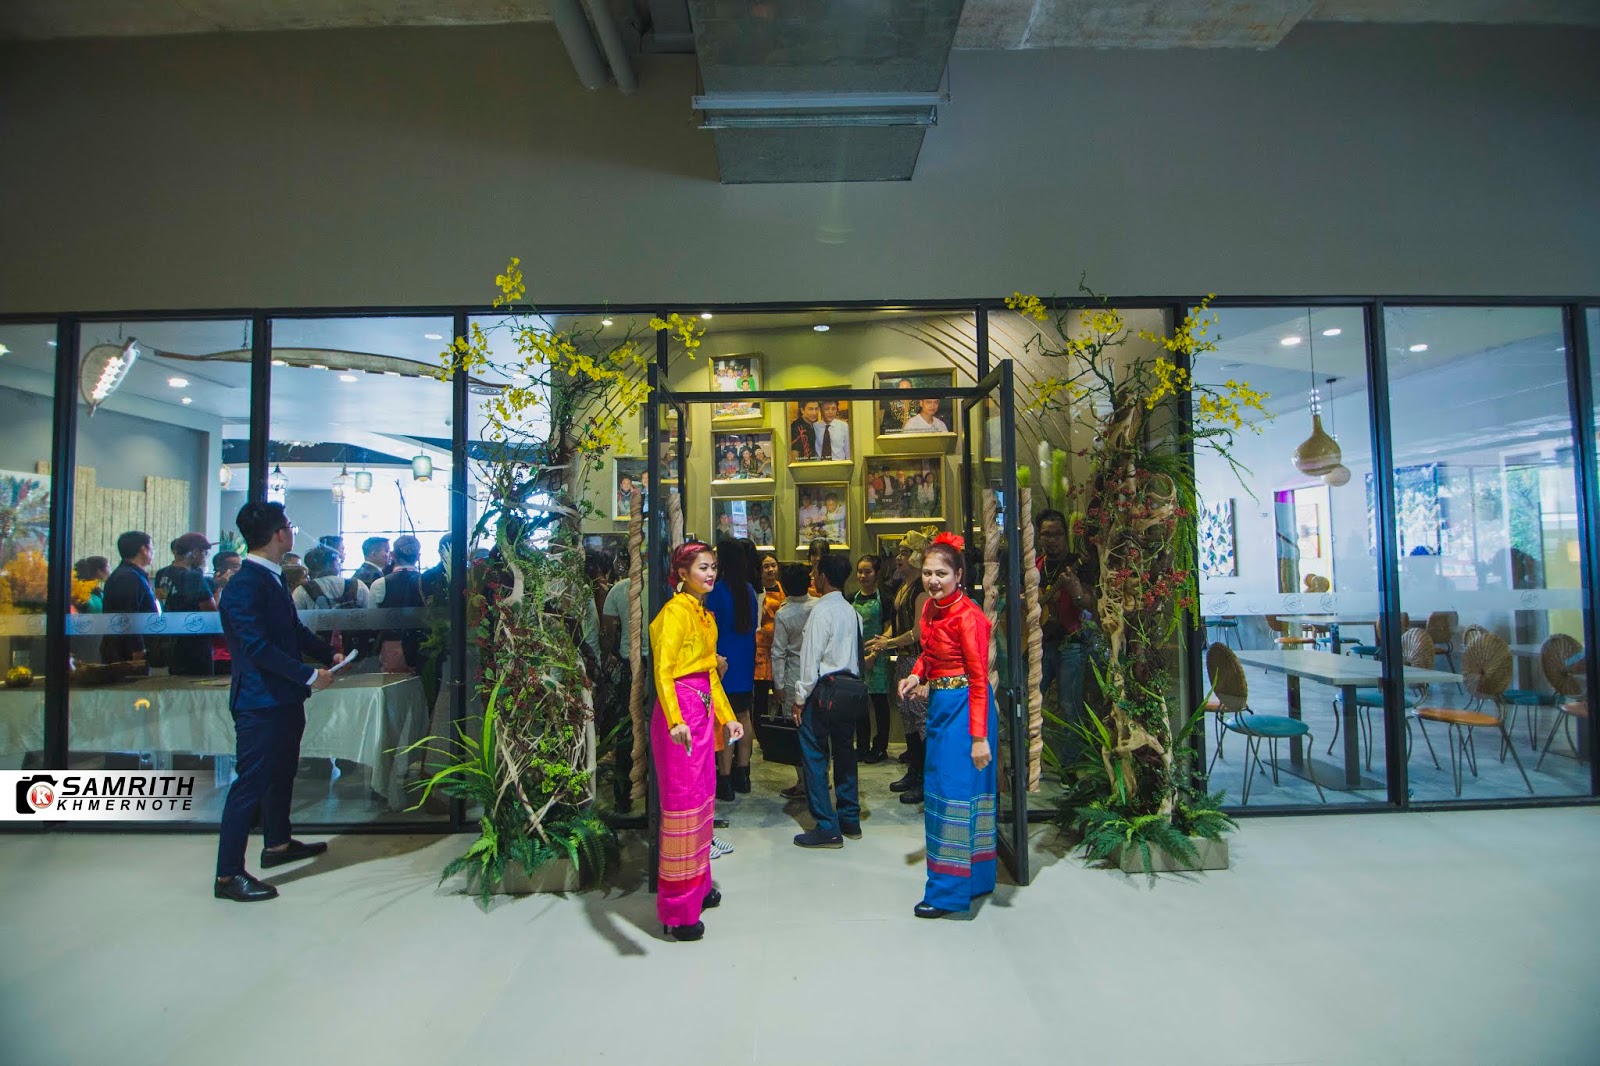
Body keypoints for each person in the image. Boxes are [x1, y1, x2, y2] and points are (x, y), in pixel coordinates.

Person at [213, 501, 342, 903]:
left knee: (282, 773)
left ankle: (278, 843)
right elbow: (256, 647)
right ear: (278, 534)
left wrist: (328, 654)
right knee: (250, 784)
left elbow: (292, 630)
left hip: (281, 697)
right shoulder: (245, 584)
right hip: (260, 701)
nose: (291, 532)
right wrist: (309, 675)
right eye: (288, 526)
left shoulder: (271, 577)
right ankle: (228, 875)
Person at [898, 532, 997, 919]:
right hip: (942, 704)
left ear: (959, 575)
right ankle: (973, 881)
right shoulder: (931, 608)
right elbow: (929, 652)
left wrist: (979, 738)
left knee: (953, 794)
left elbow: (978, 680)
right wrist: (917, 674)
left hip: (967, 711)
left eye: (941, 573)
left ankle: (948, 893)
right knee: (948, 792)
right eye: (927, 573)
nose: (933, 580)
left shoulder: (970, 617)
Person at [648, 541, 744, 942]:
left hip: (701, 713)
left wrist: (728, 717)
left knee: (703, 800)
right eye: (703, 567)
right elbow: (663, 670)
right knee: (682, 808)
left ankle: (699, 886)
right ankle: (678, 910)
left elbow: (708, 674)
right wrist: (674, 719)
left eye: (713, 566)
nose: (711, 573)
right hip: (681, 718)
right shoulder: (674, 613)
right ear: (683, 573)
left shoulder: (702, 614)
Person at [791, 551, 865, 848]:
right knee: (846, 753)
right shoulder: (852, 612)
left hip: (823, 691)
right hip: (850, 690)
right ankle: (850, 819)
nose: (813, 577)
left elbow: (810, 660)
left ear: (823, 576)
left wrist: (799, 698)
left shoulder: (821, 612)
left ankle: (826, 826)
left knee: (815, 757)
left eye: (815, 573)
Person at [867, 531, 932, 804]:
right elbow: (897, 625)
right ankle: (914, 770)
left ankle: (926, 779)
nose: (899, 558)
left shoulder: (921, 590)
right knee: (907, 716)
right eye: (900, 552)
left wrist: (888, 643)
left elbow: (918, 632)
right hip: (904, 660)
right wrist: (883, 641)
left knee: (920, 718)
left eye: (905, 552)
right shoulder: (904, 585)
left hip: (917, 660)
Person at [1035, 510, 1094, 765]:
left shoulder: (1077, 564)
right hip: (1040, 644)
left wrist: (1075, 590)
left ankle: (1070, 766)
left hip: (1071, 644)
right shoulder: (1035, 566)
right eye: (1046, 534)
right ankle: (1033, 760)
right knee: (1031, 701)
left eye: (1057, 534)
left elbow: (1090, 605)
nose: (1052, 540)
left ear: (1066, 535)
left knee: (1070, 707)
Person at [705, 539, 759, 799]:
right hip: (745, 659)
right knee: (744, 715)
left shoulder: (716, 591)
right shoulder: (748, 590)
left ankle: (724, 779)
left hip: (723, 661)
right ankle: (743, 773)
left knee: (725, 719)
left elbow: (709, 628)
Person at [769, 562, 815, 801]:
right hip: (818, 675)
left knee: (797, 731)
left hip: (793, 676)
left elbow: (778, 652)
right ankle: (820, 778)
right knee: (818, 729)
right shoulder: (818, 606)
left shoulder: (784, 613)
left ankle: (803, 783)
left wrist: (777, 685)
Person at [601, 555, 638, 811]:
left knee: (626, 732)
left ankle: (623, 798)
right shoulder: (663, 587)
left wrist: (607, 654)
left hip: (628, 665)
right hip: (656, 664)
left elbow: (607, 630)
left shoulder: (618, 589)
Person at [852, 554, 893, 763]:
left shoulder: (885, 599)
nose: (863, 576)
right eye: (860, 571)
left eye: (867, 571)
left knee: (879, 704)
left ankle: (880, 747)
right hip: (856, 657)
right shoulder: (851, 598)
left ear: (876, 573)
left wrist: (874, 653)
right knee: (859, 704)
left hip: (879, 658)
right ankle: (861, 745)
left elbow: (889, 628)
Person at [163, 532, 219, 676]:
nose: (205, 558)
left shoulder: (165, 574)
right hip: (197, 646)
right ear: (195, 553)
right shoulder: (194, 577)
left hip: (174, 644)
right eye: (205, 553)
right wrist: (218, 590)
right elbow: (211, 613)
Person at [100, 530, 158, 663]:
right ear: (144, 550)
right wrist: (137, 648)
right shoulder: (128, 577)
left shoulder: (131, 574)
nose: (153, 551)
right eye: (152, 547)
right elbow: (128, 614)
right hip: (126, 652)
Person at [371, 534, 424, 670]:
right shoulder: (425, 582)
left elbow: (372, 620)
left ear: (393, 555)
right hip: (423, 647)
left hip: (391, 649)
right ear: (418, 556)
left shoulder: (380, 584)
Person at [752, 552, 784, 726]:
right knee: (761, 697)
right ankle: (760, 732)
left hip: (780, 648)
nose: (771, 570)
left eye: (773, 565)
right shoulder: (756, 591)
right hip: (761, 650)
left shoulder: (784, 589)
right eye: (766, 566)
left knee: (781, 695)